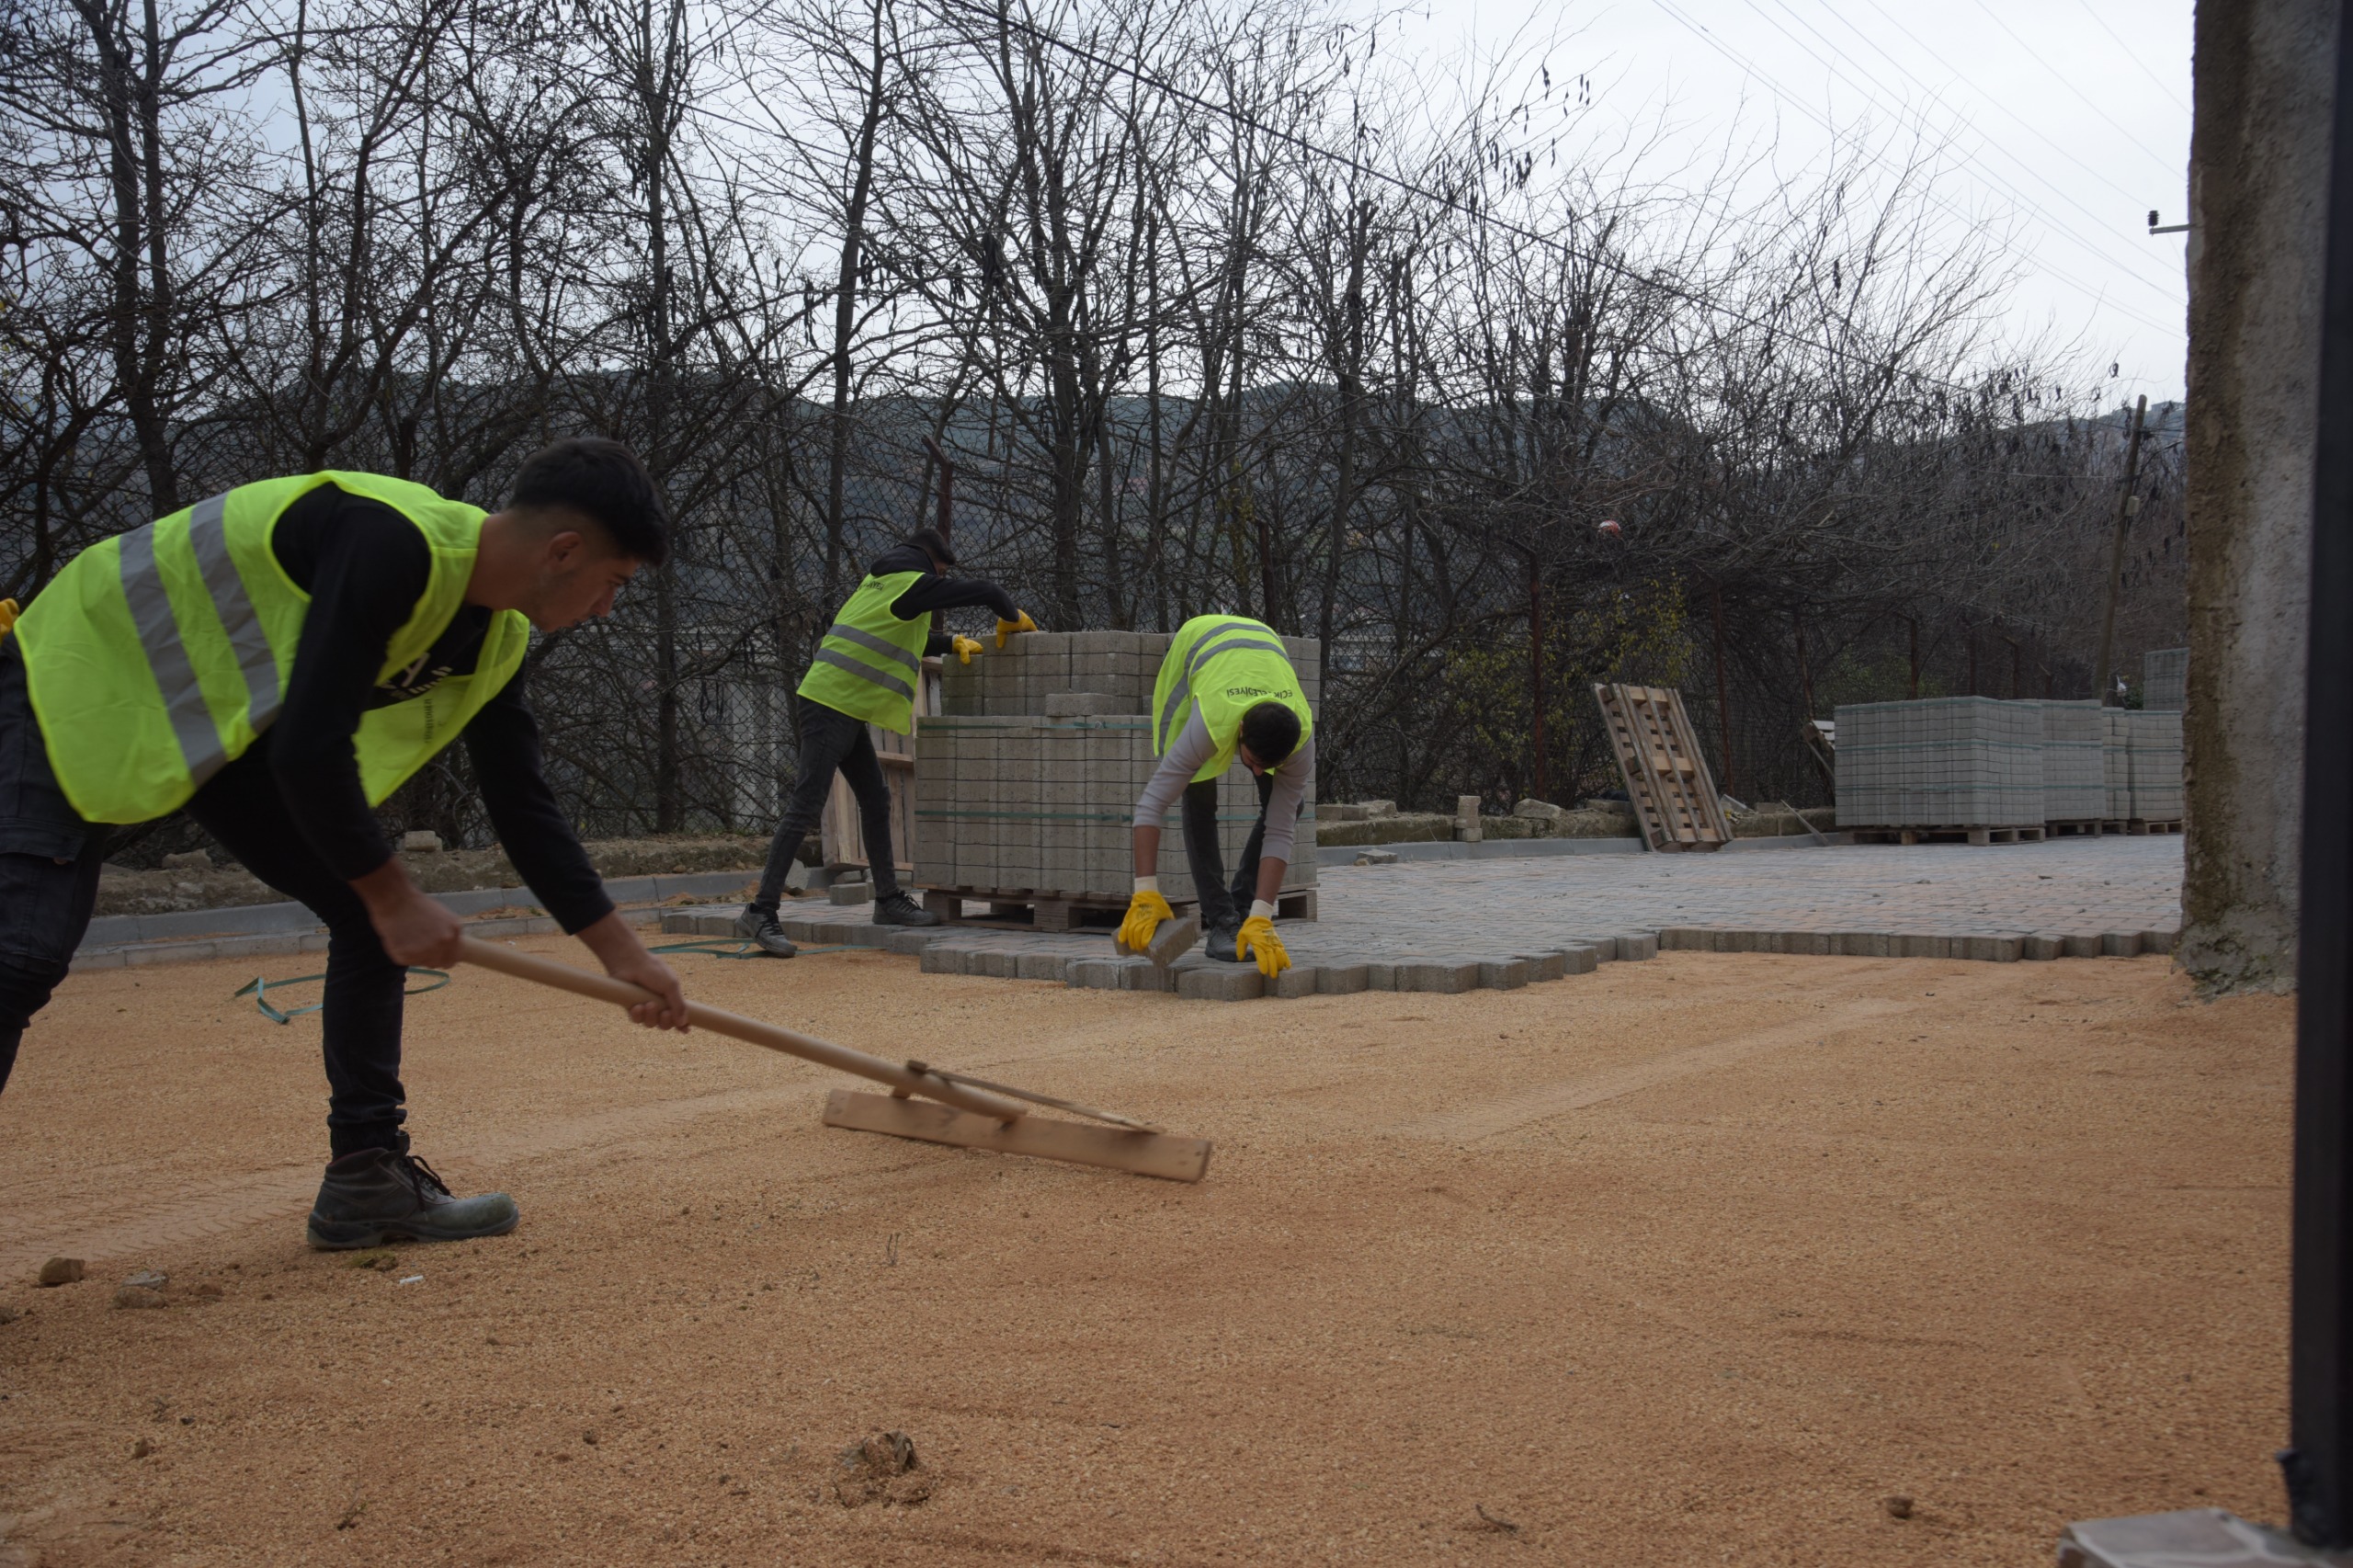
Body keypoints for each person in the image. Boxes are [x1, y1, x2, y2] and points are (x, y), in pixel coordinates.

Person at [0, 437, 691, 1247]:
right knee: (20, 951)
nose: (606, 609)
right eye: (612, 584)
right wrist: (395, 896)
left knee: (368, 921)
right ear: (563, 551)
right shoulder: (388, 539)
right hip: (76, 672)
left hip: (222, 724)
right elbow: (309, 747)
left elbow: (523, 804)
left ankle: (367, 1178)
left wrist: (621, 954)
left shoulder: (496, 640)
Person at [736, 528, 1033, 956]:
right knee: (805, 805)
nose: (940, 581)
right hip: (829, 704)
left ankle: (888, 900)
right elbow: (987, 590)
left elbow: (899, 636)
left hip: (843, 704)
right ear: (931, 562)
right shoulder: (909, 582)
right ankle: (761, 910)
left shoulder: (879, 586)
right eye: (941, 572)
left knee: (876, 800)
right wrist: (1010, 615)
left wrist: (951, 642)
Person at [1117, 614, 1314, 976]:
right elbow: (1152, 804)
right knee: (1197, 794)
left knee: (1289, 804)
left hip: (1259, 650)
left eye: (1267, 766)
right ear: (1240, 732)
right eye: (1253, 761)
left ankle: (1244, 910)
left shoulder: (1300, 739)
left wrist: (1263, 916)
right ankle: (1222, 920)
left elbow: (1281, 829)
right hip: (1194, 653)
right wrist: (1145, 891)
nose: (1256, 772)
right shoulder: (1211, 723)